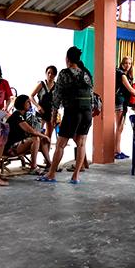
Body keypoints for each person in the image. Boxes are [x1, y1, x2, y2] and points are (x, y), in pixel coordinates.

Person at [37, 46, 93, 184]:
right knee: (81, 144)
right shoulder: (86, 73)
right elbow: (91, 94)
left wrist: (54, 114)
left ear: (67, 59)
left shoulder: (65, 73)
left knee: (60, 145)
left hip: (73, 112)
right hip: (87, 112)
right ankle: (75, 177)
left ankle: (51, 174)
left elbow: (57, 96)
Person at [6, 95, 51, 174]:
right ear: (21, 103)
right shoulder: (17, 115)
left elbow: (34, 130)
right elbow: (31, 131)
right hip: (11, 148)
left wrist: (43, 136)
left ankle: (49, 164)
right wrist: (45, 136)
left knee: (41, 138)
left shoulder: (25, 115)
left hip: (19, 144)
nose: (30, 104)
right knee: (36, 138)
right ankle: (33, 167)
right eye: (28, 102)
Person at [115, 56, 135, 160]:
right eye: (125, 63)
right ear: (122, 64)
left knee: (120, 127)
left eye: (129, 63)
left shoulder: (127, 75)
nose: (127, 65)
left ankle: (117, 150)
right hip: (119, 102)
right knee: (119, 127)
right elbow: (130, 90)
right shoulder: (121, 74)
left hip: (123, 102)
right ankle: (116, 151)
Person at [29, 65, 58, 143]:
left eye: (52, 73)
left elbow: (57, 101)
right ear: (46, 73)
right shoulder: (41, 84)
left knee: (48, 136)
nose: (50, 75)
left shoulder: (56, 86)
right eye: (48, 73)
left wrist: (55, 114)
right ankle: (34, 152)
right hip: (40, 112)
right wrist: (37, 106)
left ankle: (46, 154)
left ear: (55, 75)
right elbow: (31, 96)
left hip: (50, 113)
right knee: (36, 134)